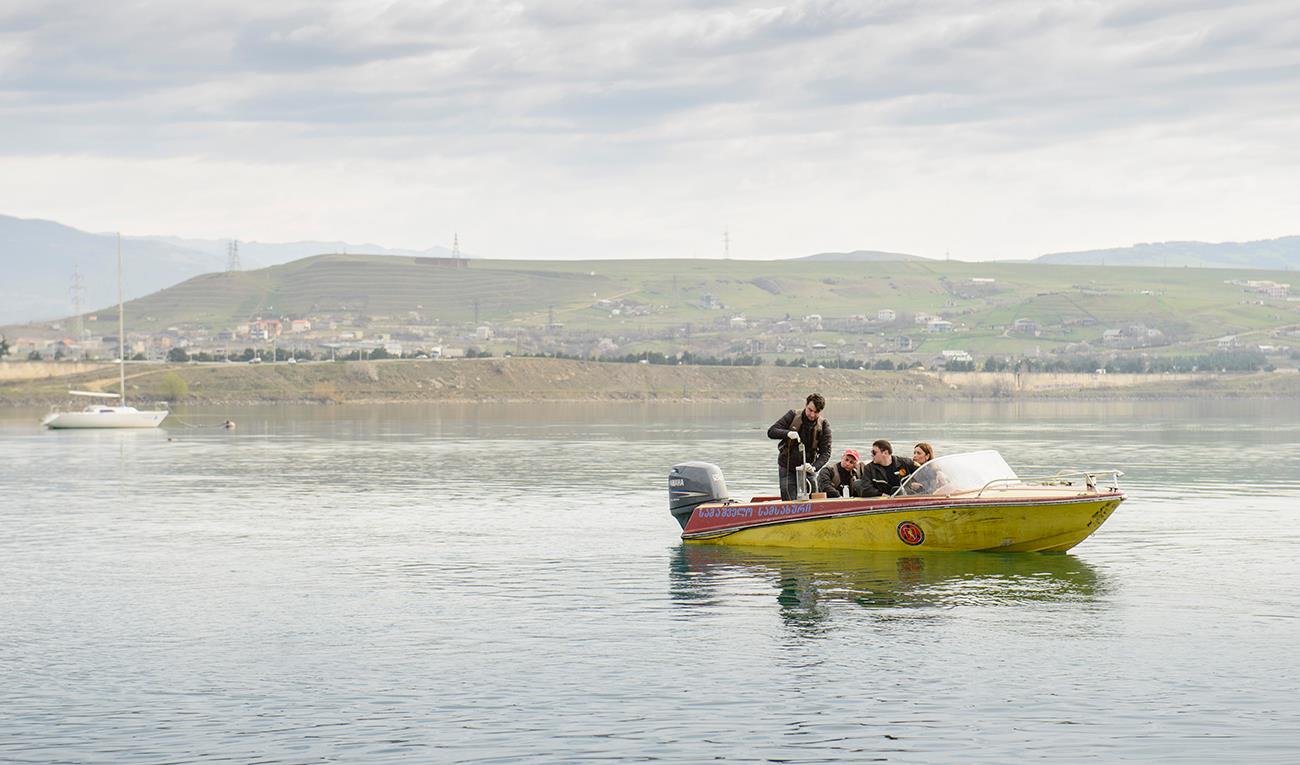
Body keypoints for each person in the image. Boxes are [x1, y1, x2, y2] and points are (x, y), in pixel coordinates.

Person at [767, 393, 832, 500]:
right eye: (810, 410)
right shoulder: (793, 415)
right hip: (787, 467)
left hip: (808, 468)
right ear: (806, 405)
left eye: (816, 412)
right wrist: (787, 433)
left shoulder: (824, 425)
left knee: (814, 500)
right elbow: (771, 431)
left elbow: (826, 453)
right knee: (789, 500)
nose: (812, 415)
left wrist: (814, 467)